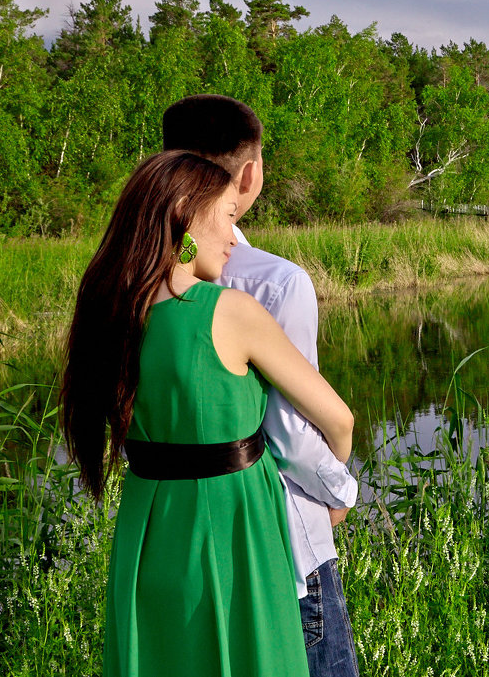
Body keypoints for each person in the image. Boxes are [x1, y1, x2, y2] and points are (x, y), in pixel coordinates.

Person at [61, 150, 355, 677]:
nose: (231, 237)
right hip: (234, 529)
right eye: (226, 216)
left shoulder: (111, 313)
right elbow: (338, 419)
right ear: (185, 213)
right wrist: (338, 492)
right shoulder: (230, 312)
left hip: (150, 531)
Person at [161, 94, 361, 677]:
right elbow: (298, 439)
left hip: (176, 546)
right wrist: (340, 490)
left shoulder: (127, 280)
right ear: (249, 174)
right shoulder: (273, 283)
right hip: (285, 545)